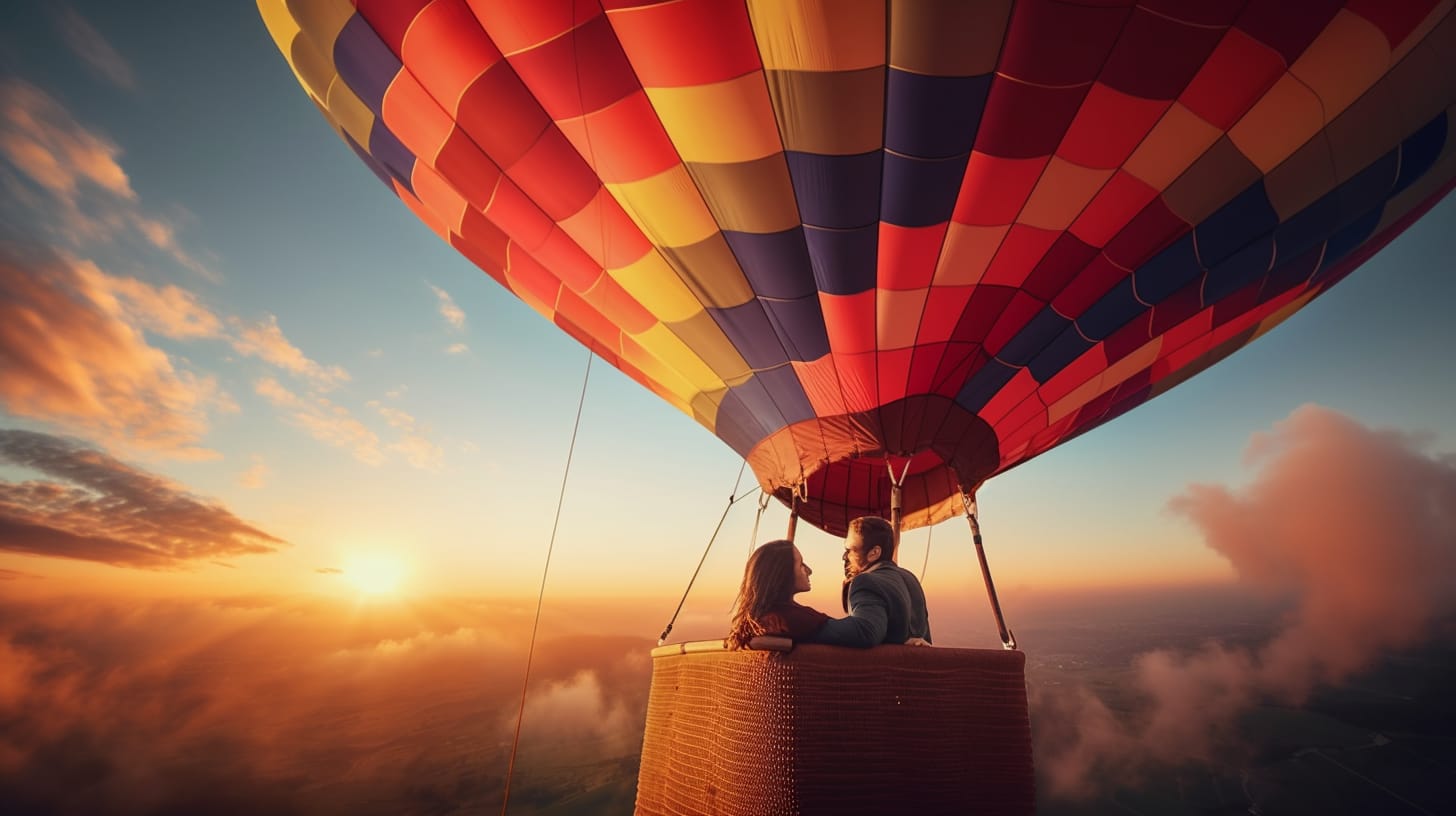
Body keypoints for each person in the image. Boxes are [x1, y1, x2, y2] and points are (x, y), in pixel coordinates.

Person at [814, 515, 932, 648]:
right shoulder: (910, 578)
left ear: (874, 553)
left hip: (887, 668)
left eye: (850, 550)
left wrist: (808, 625)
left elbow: (866, 632)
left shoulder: (866, 581)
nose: (845, 557)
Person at [726, 539, 830, 649]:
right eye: (801, 564)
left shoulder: (748, 627)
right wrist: (850, 587)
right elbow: (848, 634)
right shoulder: (791, 620)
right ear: (782, 574)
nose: (809, 570)